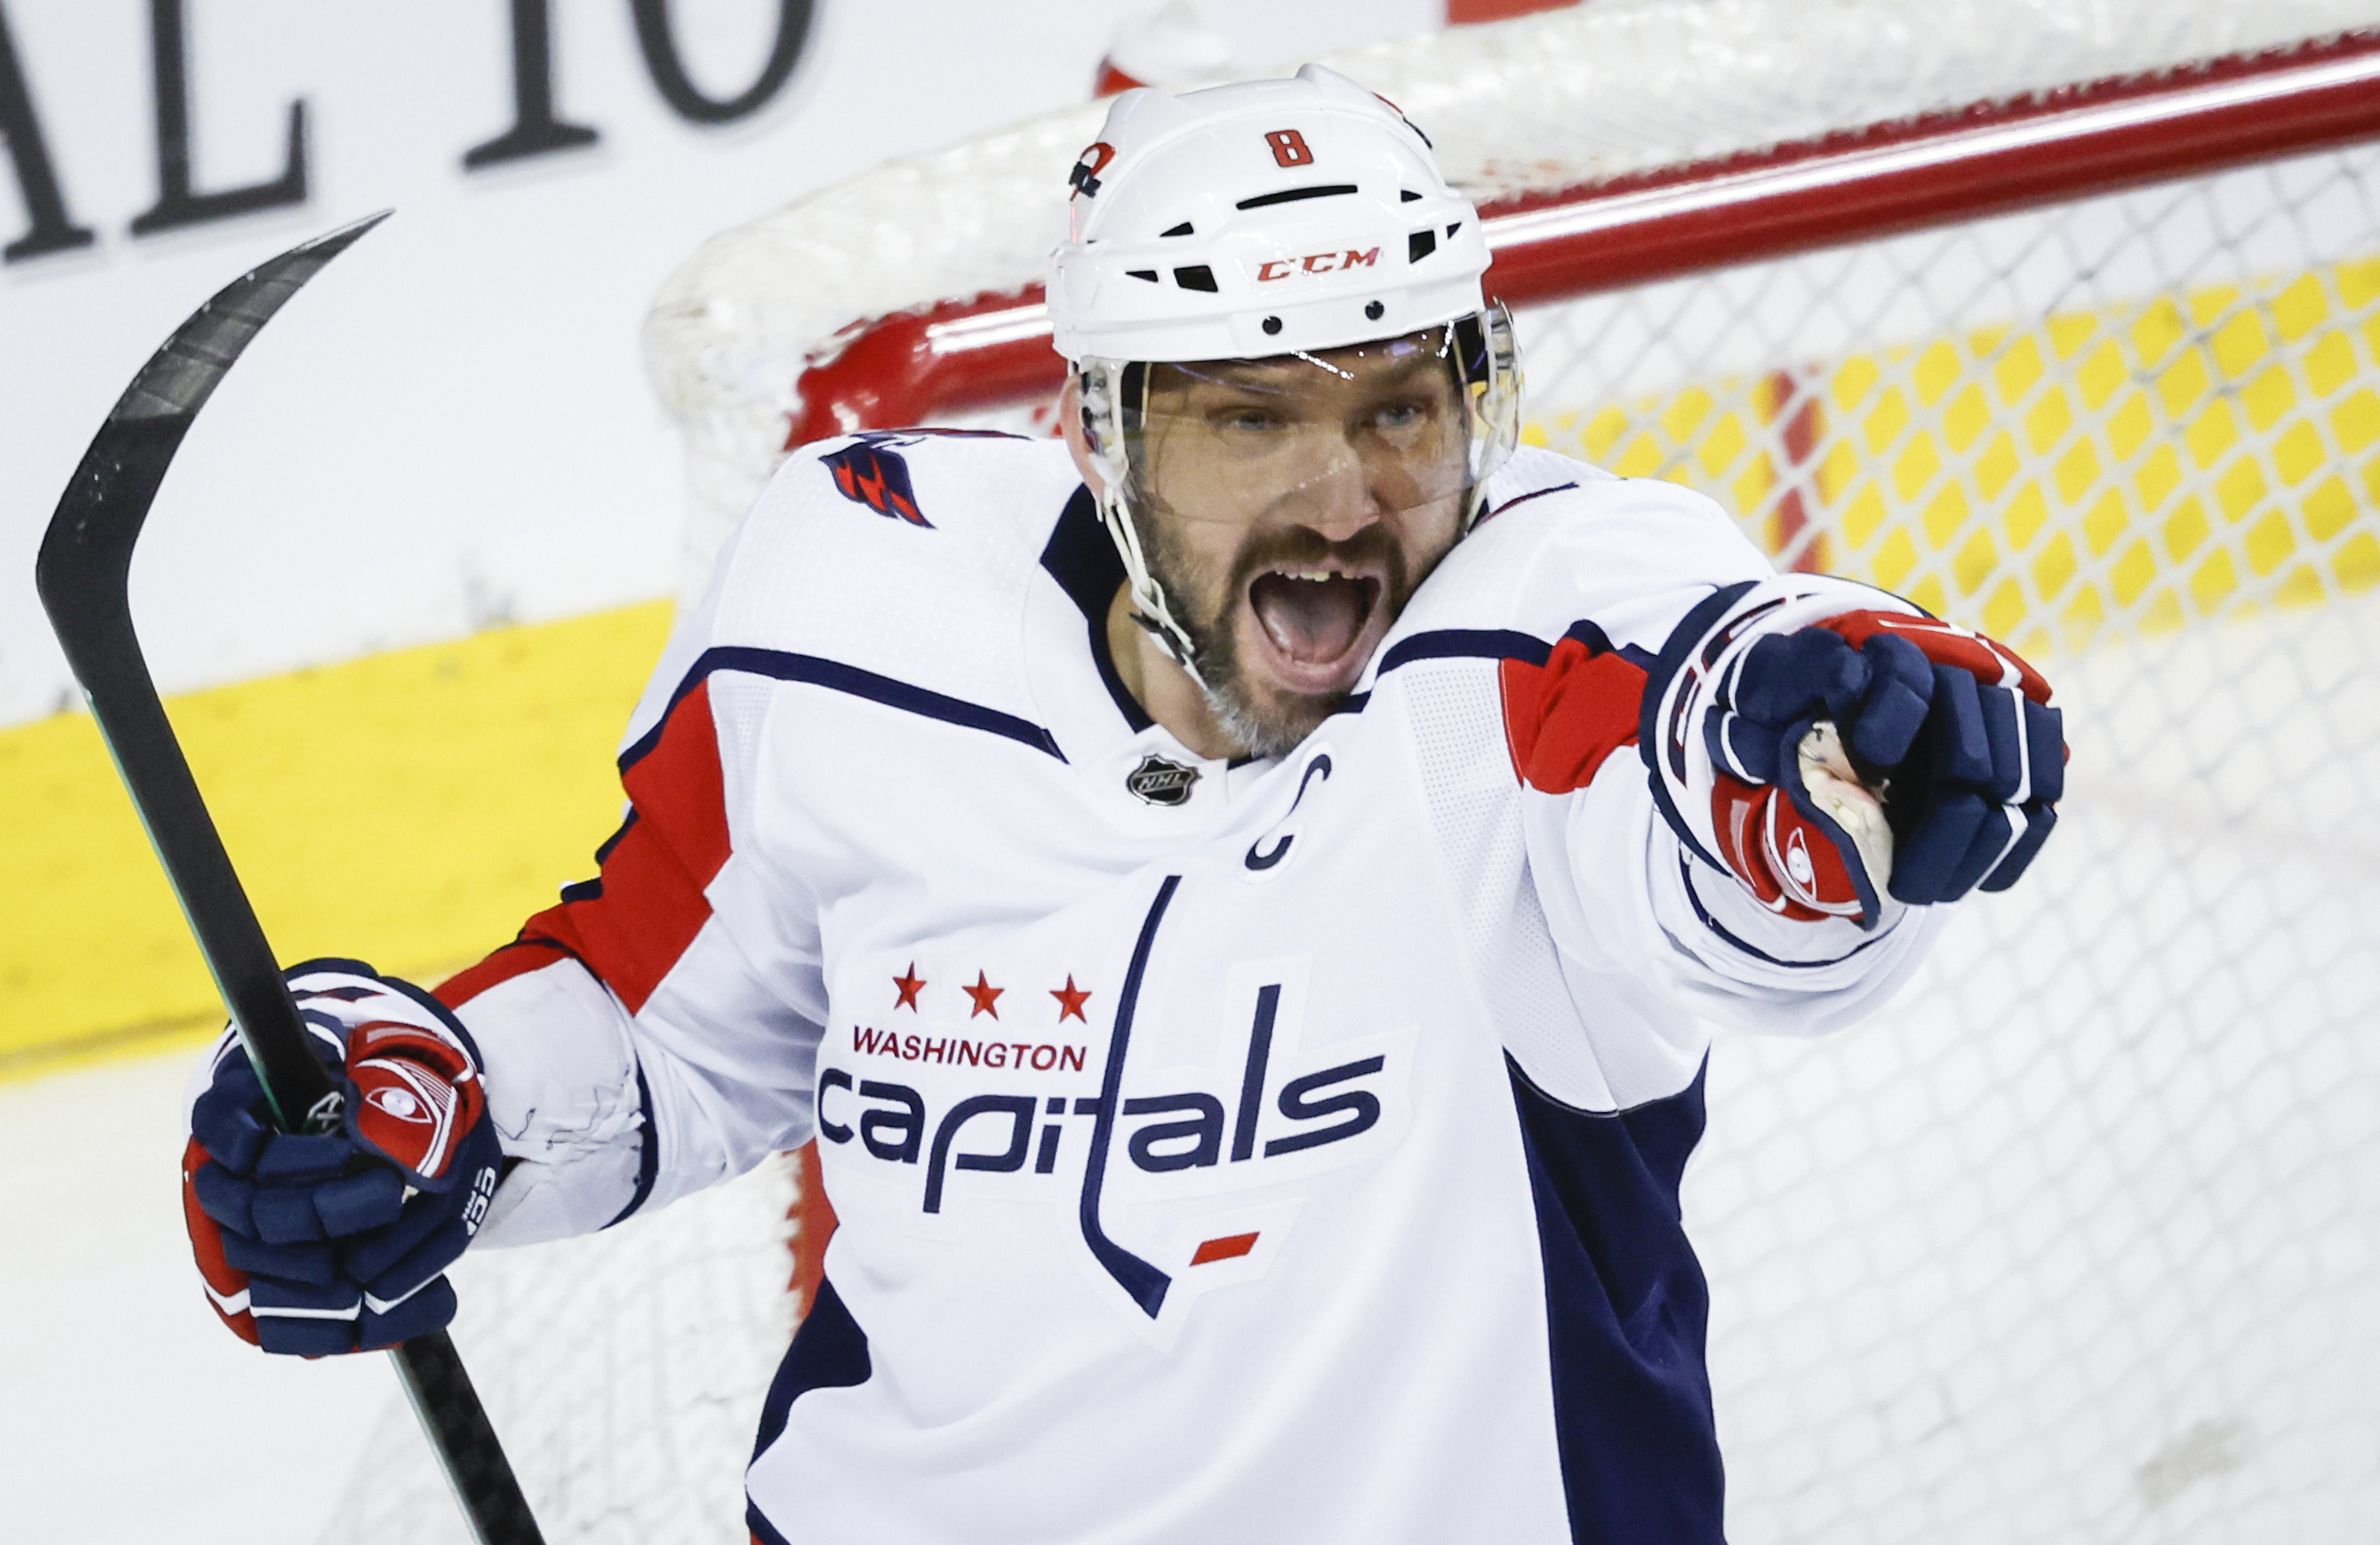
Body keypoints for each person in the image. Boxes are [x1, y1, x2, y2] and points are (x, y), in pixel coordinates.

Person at [177, 65, 2064, 1543]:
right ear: (1088, 427)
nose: (1344, 494)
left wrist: (1830, 754)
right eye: (1250, 418)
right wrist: (428, 1101)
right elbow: (666, 1021)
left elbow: (1708, 762)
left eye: (1400, 407)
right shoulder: (859, 588)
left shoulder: (1537, 624)